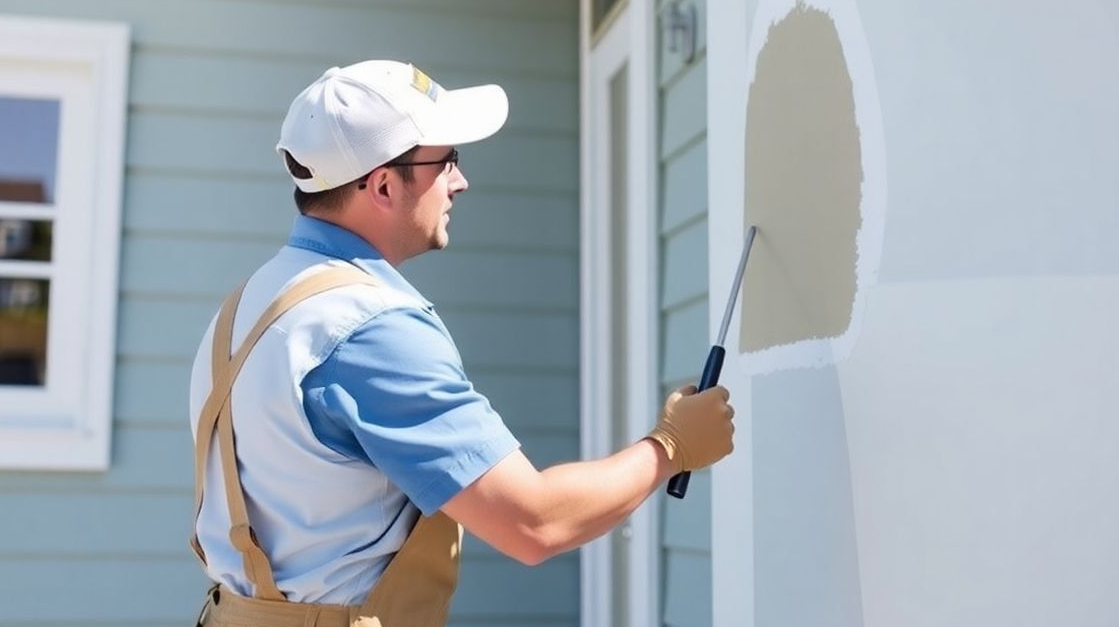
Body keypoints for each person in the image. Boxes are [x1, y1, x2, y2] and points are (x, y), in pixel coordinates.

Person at [188, 60, 735, 626]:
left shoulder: (245, 309)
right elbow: (533, 523)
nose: (459, 180)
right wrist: (671, 446)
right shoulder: (368, 326)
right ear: (381, 184)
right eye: (446, 161)